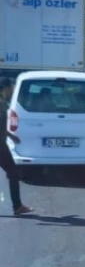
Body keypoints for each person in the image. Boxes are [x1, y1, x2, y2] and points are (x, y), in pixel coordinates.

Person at [0, 79, 32, 216]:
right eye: (11, 88)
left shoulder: (2, 103)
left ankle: (17, 206)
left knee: (13, 173)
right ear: (5, 88)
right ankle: (17, 206)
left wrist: (11, 136)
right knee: (13, 173)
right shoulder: (1, 104)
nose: (12, 91)